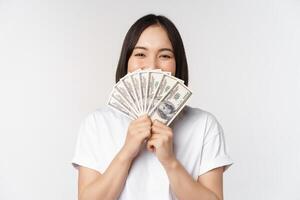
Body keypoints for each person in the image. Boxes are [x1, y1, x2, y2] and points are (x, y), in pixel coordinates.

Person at [71, 14, 233, 200]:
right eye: (140, 54)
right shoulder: (97, 123)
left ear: (177, 62)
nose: (152, 66)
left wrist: (170, 161)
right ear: (126, 61)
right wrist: (127, 152)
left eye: (164, 55)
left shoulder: (204, 125)